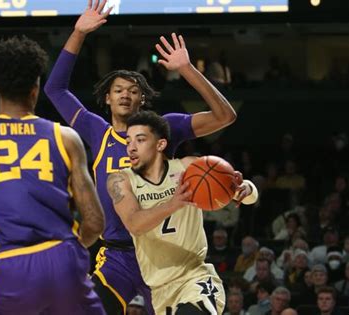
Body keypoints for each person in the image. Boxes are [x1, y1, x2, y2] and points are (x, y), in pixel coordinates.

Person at [44, 1, 237, 313]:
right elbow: (54, 89)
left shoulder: (165, 128)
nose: (125, 94)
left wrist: (186, 69)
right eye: (118, 89)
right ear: (107, 98)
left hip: (163, 253)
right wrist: (78, 32)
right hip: (117, 256)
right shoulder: (97, 130)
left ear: (142, 98)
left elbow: (224, 116)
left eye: (133, 90)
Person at [0, 36, 106, 315]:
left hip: (12, 265)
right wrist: (62, 256)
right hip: (66, 260)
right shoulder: (66, 137)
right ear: (36, 88)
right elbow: (95, 223)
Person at [106, 111, 257, 314]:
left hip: (196, 277)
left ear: (160, 144)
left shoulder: (188, 167)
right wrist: (173, 203)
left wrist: (244, 189)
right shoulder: (120, 181)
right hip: (160, 291)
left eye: (140, 140)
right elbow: (134, 223)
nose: (131, 148)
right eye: (128, 141)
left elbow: (247, 193)